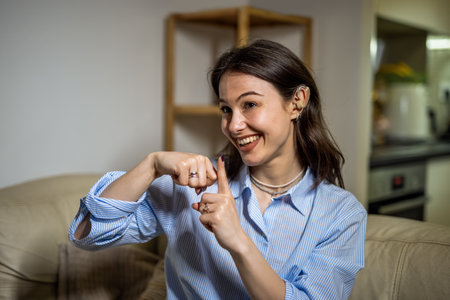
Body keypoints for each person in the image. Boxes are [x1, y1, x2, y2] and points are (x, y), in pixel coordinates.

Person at [70, 39, 367, 300]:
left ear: (297, 102)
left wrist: (237, 241)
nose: (234, 126)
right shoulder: (193, 184)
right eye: (226, 109)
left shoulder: (341, 214)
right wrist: (151, 164)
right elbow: (88, 235)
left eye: (249, 104)